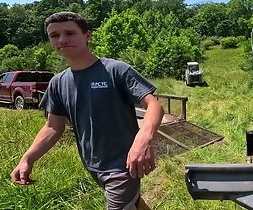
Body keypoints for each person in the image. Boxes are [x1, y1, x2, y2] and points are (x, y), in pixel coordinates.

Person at [11, 12, 164, 210]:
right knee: (134, 204)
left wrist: (142, 140)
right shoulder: (58, 83)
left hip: (122, 166)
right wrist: (27, 159)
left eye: (70, 33)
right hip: (93, 165)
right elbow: (53, 127)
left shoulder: (115, 70)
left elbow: (154, 105)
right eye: (54, 35)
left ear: (87, 35)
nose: (62, 40)